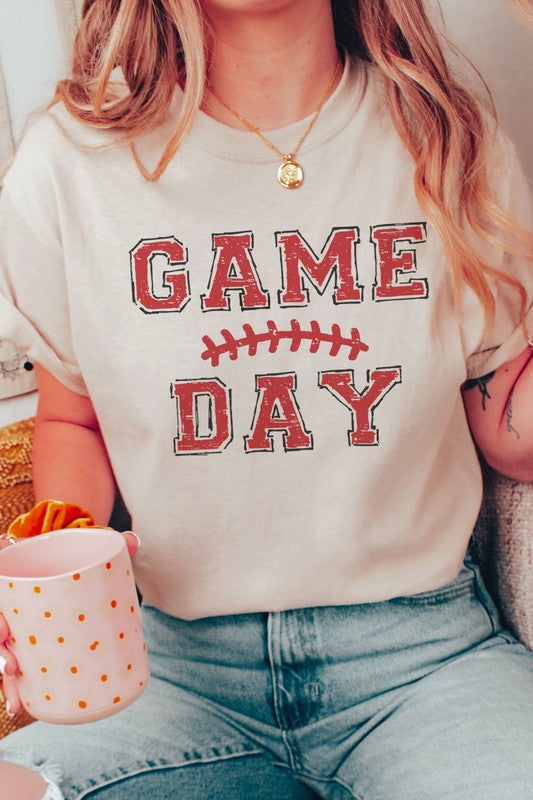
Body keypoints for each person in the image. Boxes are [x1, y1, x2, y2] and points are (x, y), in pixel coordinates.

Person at [0, 0, 532, 797]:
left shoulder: (445, 137)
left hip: (424, 662)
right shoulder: (68, 165)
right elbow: (74, 414)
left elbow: (506, 428)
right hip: (170, 678)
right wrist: (63, 550)